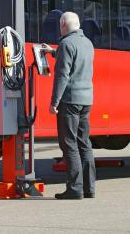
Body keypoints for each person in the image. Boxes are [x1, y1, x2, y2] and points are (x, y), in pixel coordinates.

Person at [47, 11, 96, 200]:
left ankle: (75, 188)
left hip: (70, 100)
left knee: (68, 143)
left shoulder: (66, 43)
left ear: (63, 24)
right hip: (86, 100)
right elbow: (75, 60)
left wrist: (54, 103)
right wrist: (53, 52)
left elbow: (62, 76)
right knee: (84, 142)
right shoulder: (87, 43)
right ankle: (89, 188)